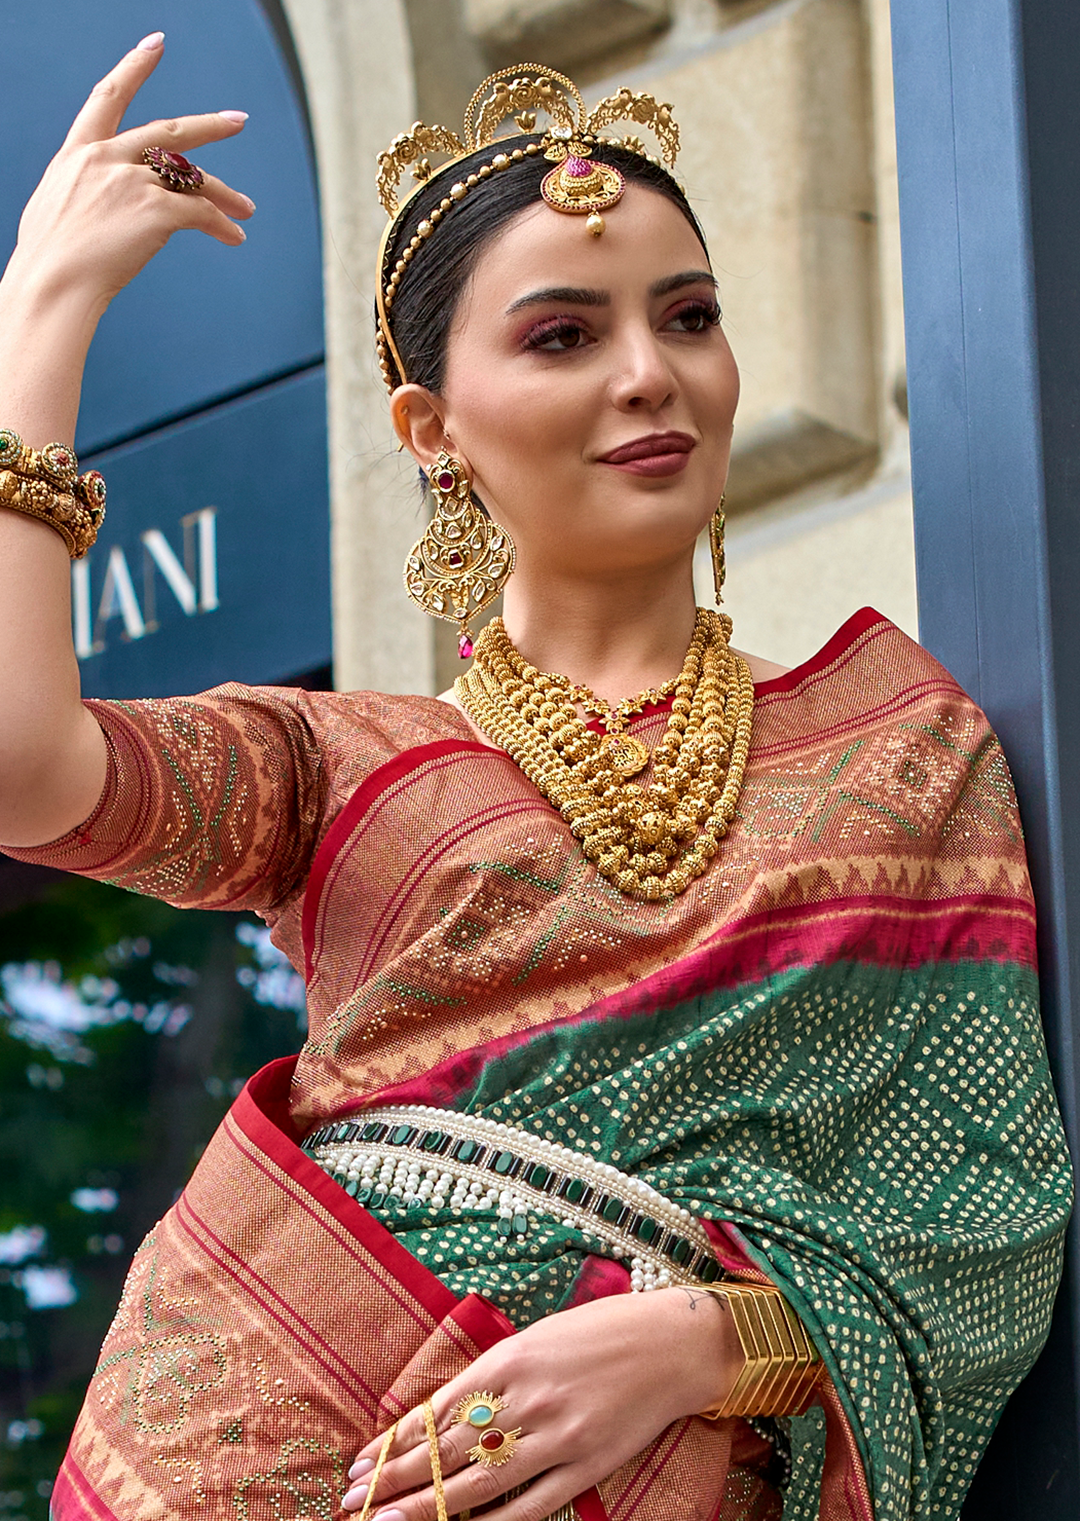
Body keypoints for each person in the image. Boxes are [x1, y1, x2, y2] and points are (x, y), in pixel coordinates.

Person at [0, 35, 1070, 1521]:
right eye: (563, 335)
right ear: (433, 432)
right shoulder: (344, 769)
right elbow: (22, 770)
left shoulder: (904, 746)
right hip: (288, 1446)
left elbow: (984, 1219)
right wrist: (41, 311)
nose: (651, 374)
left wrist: (704, 1341)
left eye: (688, 315)